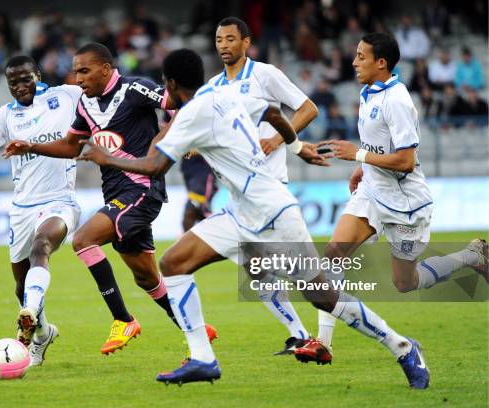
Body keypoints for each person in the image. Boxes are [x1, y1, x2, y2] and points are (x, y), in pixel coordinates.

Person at [79, 48, 431, 389]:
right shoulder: (226, 92)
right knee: (173, 263)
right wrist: (297, 148)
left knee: (322, 296)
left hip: (274, 211)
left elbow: (154, 166)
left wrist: (106, 158)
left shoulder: (192, 114)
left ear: (170, 84)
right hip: (239, 212)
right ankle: (203, 358)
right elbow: (273, 115)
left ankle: (402, 346)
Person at [3, 43, 217, 355]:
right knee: (146, 277)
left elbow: (182, 102)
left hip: (142, 188)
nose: (78, 79)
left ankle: (122, 319)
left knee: (84, 240)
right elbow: (71, 146)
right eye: (76, 71)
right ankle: (194, 328)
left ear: (106, 69)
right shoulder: (85, 106)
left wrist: (178, 139)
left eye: (84, 71)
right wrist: (30, 147)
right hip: (116, 194)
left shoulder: (136, 89)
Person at [303, 33, 488, 361]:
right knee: (332, 254)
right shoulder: (368, 91)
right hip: (373, 191)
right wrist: (363, 169)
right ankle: (323, 343)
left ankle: (472, 255)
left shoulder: (398, 100)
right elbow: (379, 145)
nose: (354, 61)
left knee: (406, 282)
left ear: (381, 63)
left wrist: (359, 157)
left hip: (406, 205)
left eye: (361, 56)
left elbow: (404, 160)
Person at [0, 55, 82, 366]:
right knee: (20, 282)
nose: (19, 86)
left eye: (25, 78)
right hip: (21, 208)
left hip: (59, 201)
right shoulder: (6, 116)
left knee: (42, 246)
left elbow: (101, 98)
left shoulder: (64, 96)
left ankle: (26, 319)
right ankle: (42, 332)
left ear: (37, 75)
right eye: (13, 82)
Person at [210, 16, 321, 354]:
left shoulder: (265, 75)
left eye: (230, 39)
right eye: (218, 40)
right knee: (256, 271)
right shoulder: (214, 86)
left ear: (246, 42)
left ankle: (339, 310)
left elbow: (308, 108)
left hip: (270, 189)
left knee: (301, 273)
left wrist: (278, 139)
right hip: (239, 195)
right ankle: (300, 334)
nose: (224, 45)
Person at [180, 154, 218, 232]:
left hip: (202, 174)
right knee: (199, 213)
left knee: (190, 211)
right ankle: (215, 239)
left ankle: (187, 242)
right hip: (189, 172)